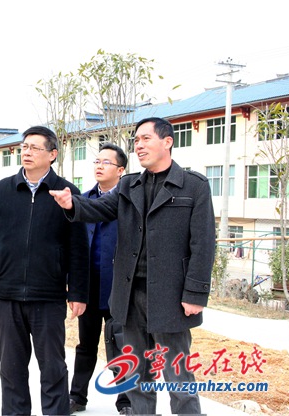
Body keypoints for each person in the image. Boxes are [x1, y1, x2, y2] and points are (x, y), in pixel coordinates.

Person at [51, 117, 215, 415]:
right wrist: (72, 204)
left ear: (167, 142)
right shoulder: (129, 185)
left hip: (171, 295)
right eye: (136, 140)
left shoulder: (194, 186)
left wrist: (196, 293)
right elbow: (100, 208)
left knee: (177, 372)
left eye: (145, 139)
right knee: (138, 371)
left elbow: (203, 244)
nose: (138, 145)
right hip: (130, 294)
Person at [0, 125, 89, 416]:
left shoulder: (67, 193)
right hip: (8, 294)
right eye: (24, 147)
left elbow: (77, 247)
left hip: (48, 296)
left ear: (52, 154)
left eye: (35, 147)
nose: (27, 152)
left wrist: (78, 293)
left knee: (53, 368)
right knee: (11, 370)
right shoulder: (1, 190)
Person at [69, 143, 131, 415]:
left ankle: (126, 401)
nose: (99, 166)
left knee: (121, 346)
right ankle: (77, 397)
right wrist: (74, 286)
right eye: (97, 161)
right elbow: (74, 247)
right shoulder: (83, 201)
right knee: (86, 345)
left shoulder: (129, 204)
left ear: (120, 170)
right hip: (90, 287)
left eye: (106, 162)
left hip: (119, 288)